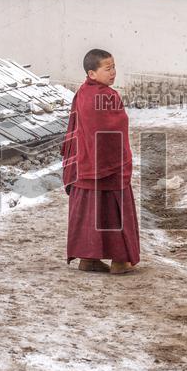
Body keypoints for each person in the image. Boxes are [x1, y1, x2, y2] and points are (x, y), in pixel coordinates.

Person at [62, 49, 140, 275]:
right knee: (114, 210)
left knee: (88, 209)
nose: (113, 72)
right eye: (108, 68)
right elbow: (115, 127)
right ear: (92, 73)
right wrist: (121, 159)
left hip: (84, 163)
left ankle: (88, 259)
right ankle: (120, 260)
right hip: (109, 166)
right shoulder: (108, 96)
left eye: (114, 67)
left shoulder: (82, 93)